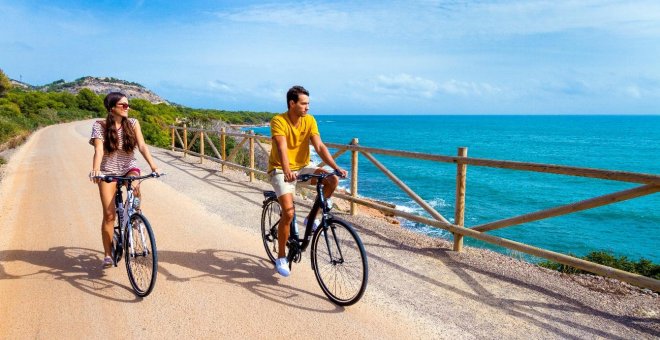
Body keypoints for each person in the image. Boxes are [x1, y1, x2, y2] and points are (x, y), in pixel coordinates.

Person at [268, 85, 348, 277]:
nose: (307, 107)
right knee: (288, 213)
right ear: (292, 103)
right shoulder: (278, 121)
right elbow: (281, 147)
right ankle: (281, 257)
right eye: (303, 104)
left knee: (331, 180)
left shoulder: (309, 120)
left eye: (308, 104)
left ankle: (311, 218)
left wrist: (335, 167)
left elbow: (319, 146)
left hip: (303, 168)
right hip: (280, 169)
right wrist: (287, 170)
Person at [89, 92, 159, 268]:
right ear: (112, 108)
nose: (127, 108)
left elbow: (142, 146)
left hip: (129, 167)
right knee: (109, 215)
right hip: (107, 171)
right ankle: (107, 254)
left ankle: (134, 214)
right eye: (123, 105)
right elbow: (98, 150)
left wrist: (154, 167)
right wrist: (96, 170)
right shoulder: (100, 126)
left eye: (128, 105)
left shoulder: (133, 123)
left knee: (135, 187)